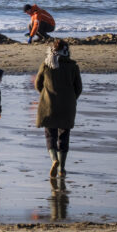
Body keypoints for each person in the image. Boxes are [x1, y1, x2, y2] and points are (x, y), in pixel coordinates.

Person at [34, 39, 83, 178]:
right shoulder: (73, 67)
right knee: (64, 137)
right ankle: (62, 168)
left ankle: (54, 160)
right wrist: (71, 99)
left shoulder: (46, 65)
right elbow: (78, 88)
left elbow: (38, 84)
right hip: (67, 106)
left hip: (48, 106)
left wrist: (45, 96)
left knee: (50, 136)